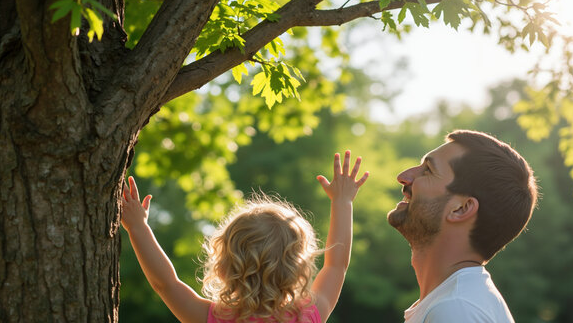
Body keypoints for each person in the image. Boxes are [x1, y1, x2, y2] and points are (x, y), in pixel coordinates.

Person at [121, 150, 369, 323]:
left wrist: (137, 227)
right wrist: (342, 201)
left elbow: (165, 283)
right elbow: (337, 265)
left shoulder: (211, 318)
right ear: (298, 269)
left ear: (222, 265)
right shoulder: (309, 316)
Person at [387, 130, 538, 323]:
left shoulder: (455, 309)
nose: (404, 176)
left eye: (428, 170)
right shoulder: (456, 302)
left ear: (461, 209)